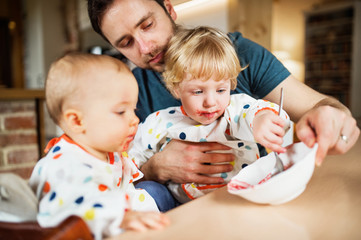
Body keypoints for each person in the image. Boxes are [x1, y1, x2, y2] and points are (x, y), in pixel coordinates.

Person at [87, 0, 360, 207]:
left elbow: (321, 106)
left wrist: (331, 116)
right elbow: (107, 176)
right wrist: (154, 169)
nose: (145, 47)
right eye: (126, 42)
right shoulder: (129, 92)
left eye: (147, 25)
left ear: (169, 9)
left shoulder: (239, 53)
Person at [129, 26, 290, 203]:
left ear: (231, 83)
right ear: (176, 89)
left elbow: (255, 111)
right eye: (198, 92)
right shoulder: (160, 121)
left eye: (221, 90)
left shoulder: (236, 109)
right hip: (182, 205)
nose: (211, 102)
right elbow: (133, 158)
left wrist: (262, 119)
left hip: (241, 197)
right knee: (147, 190)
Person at [28, 53, 170, 240]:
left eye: (134, 110)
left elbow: (127, 193)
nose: (135, 119)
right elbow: (70, 211)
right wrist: (120, 217)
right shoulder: (65, 164)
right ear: (77, 121)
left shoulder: (110, 153)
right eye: (121, 111)